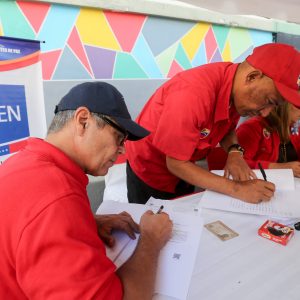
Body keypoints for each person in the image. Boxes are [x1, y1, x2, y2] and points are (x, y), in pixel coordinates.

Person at [0, 82, 173, 300]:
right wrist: (151, 240)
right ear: (83, 121)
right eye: (119, 137)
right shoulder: (57, 199)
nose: (122, 150)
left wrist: (86, 221)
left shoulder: (23, 162)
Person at [126, 43, 300, 205]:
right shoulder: (192, 94)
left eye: (273, 106)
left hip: (185, 168)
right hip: (150, 169)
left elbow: (227, 128)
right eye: (268, 101)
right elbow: (176, 163)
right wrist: (237, 189)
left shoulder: (235, 89)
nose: (265, 113)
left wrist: (234, 153)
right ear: (252, 77)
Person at [236, 102, 300, 177]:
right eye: (298, 106)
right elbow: (237, 163)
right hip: (259, 184)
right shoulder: (251, 128)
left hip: (291, 184)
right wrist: (280, 167)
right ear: (284, 106)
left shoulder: (294, 128)